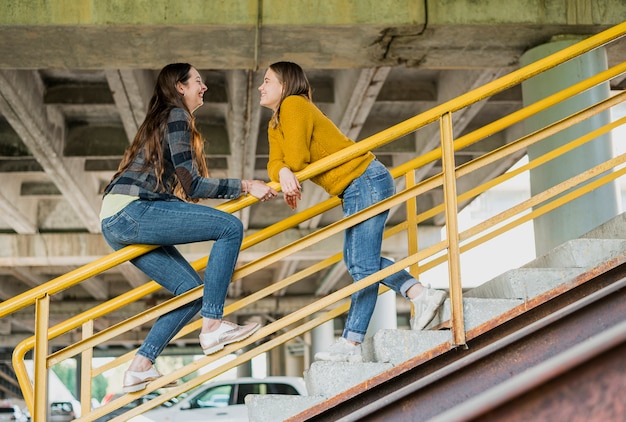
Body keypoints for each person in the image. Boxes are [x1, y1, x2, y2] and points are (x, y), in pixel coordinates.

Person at [100, 63, 278, 393]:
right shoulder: (177, 115)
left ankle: (140, 367)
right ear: (180, 87)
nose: (204, 87)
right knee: (229, 226)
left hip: (118, 218)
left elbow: (179, 188)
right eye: (198, 81)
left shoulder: (168, 118)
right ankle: (212, 326)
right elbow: (192, 185)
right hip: (132, 210)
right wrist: (246, 184)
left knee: (192, 292)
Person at [258, 61, 447, 363]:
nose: (261, 86)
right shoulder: (275, 123)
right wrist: (282, 173)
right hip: (356, 185)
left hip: (364, 179)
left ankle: (352, 342)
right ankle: (420, 295)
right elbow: (275, 163)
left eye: (267, 80)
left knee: (360, 264)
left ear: (285, 85)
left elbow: (295, 157)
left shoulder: (294, 104)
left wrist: (285, 171)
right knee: (359, 261)